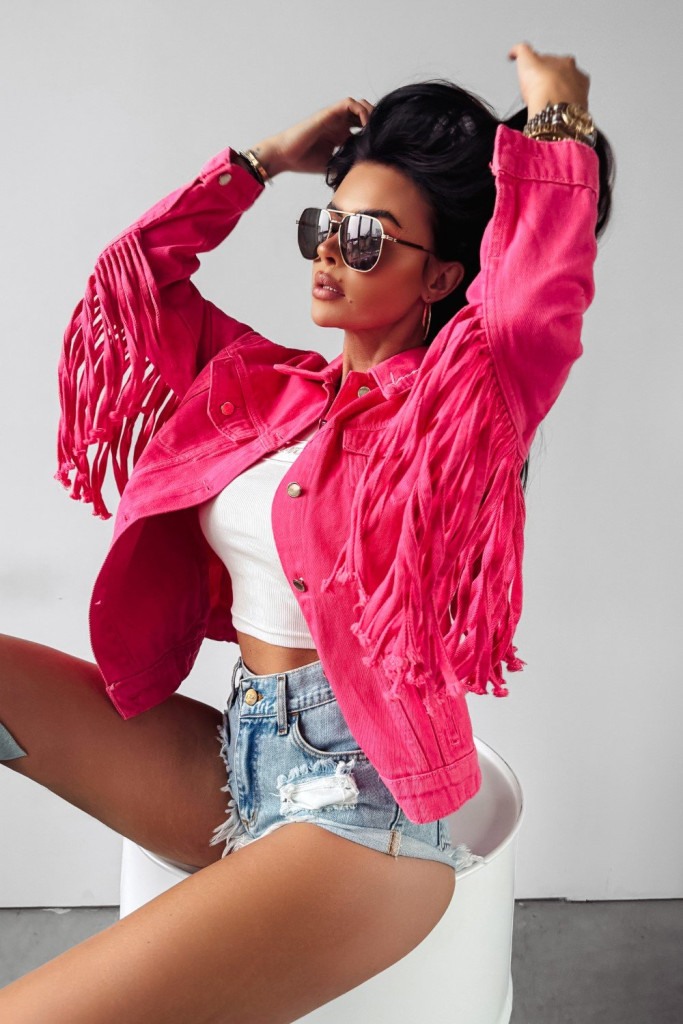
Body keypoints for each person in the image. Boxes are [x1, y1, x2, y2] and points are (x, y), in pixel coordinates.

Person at [0, 42, 614, 1023]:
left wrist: (557, 128)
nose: (330, 250)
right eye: (322, 227)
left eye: (363, 237)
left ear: (438, 276)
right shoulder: (265, 386)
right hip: (237, 763)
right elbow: (132, 280)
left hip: (363, 820)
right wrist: (260, 162)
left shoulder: (459, 406)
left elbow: (534, 299)